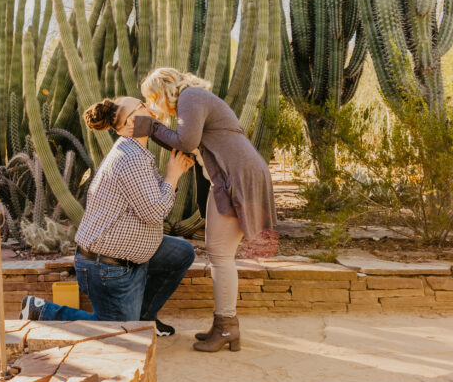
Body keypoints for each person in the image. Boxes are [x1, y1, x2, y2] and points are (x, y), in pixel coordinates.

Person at [19, 96, 196, 336]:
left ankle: (145, 320)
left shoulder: (137, 151)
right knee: (121, 334)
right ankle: (43, 311)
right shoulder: (130, 158)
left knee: (182, 253)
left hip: (130, 257)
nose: (150, 106)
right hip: (107, 267)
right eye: (143, 104)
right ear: (131, 123)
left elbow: (152, 200)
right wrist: (173, 176)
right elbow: (155, 212)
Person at [129, 67, 278, 353]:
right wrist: (152, 126)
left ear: (163, 91)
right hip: (229, 179)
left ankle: (227, 328)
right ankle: (223, 325)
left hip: (238, 177)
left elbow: (186, 142)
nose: (151, 105)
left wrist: (149, 124)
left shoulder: (191, 96)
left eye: (151, 98)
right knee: (218, 252)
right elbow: (186, 145)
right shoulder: (194, 100)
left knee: (221, 255)